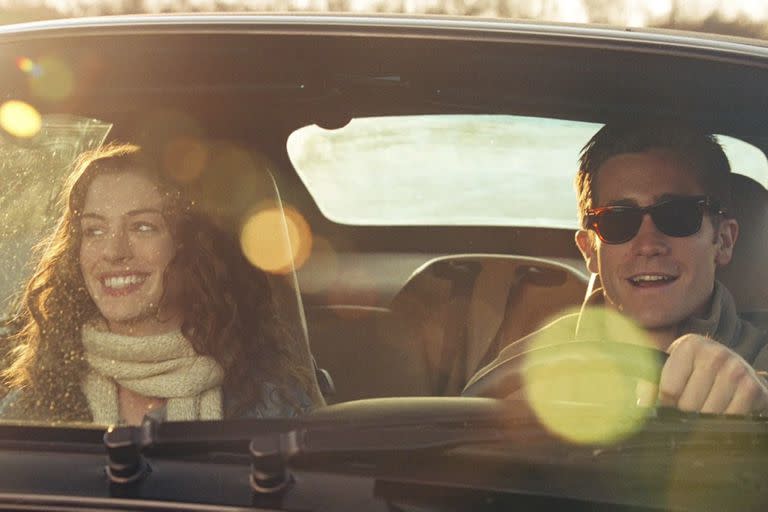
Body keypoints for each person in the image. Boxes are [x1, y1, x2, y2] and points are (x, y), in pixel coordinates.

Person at [0, 143, 322, 424]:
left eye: (143, 227)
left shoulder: (270, 407)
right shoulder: (31, 409)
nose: (113, 252)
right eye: (94, 231)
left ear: (192, 249)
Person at [465, 121, 768, 415]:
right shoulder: (525, 368)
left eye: (677, 215)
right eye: (617, 221)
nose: (648, 244)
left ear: (724, 241)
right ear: (589, 251)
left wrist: (758, 401)